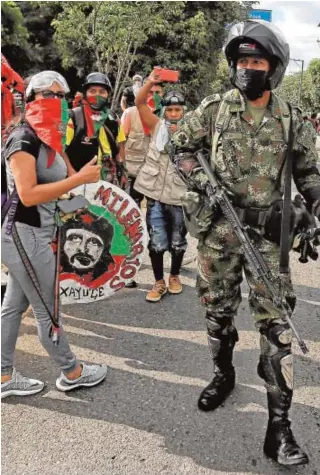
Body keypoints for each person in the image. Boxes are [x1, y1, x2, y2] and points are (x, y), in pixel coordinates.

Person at [171, 20, 320, 466]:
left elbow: (309, 171)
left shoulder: (292, 118)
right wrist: (202, 180)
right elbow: (179, 147)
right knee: (217, 314)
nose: (247, 68)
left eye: (256, 61)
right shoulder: (213, 110)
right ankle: (223, 374)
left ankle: (279, 428)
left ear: (272, 68)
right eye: (241, 61)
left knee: (278, 330)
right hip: (218, 234)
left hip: (269, 238)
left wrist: (316, 202)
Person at [1, 71, 108, 399]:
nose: (55, 100)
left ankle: (3, 376)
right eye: (47, 94)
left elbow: (59, 188)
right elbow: (30, 194)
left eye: (61, 95)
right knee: (49, 307)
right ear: (31, 99)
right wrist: (77, 182)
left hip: (35, 234)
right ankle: (71, 371)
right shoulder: (23, 138)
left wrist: (83, 201)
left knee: (14, 305)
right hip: (23, 235)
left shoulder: (50, 139)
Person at [134, 74, 188, 302]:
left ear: (184, 111)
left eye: (178, 110)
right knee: (156, 243)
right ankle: (158, 282)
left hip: (179, 197)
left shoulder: (193, 133)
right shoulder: (156, 126)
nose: (174, 114)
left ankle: (174, 276)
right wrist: (151, 80)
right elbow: (138, 102)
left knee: (178, 242)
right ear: (164, 111)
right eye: (170, 110)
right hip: (155, 196)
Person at [63, 72, 127, 189]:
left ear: (107, 95)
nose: (97, 95)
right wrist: (71, 172)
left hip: (107, 179)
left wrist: (121, 169)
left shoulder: (113, 118)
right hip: (79, 178)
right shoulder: (74, 117)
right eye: (92, 91)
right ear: (85, 93)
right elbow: (61, 149)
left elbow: (120, 146)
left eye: (102, 92)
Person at [121, 81, 164, 208]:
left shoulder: (167, 116)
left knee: (155, 211)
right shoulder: (130, 113)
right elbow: (120, 143)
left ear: (163, 94)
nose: (154, 96)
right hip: (133, 173)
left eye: (158, 93)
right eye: (150, 92)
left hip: (155, 174)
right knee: (131, 210)